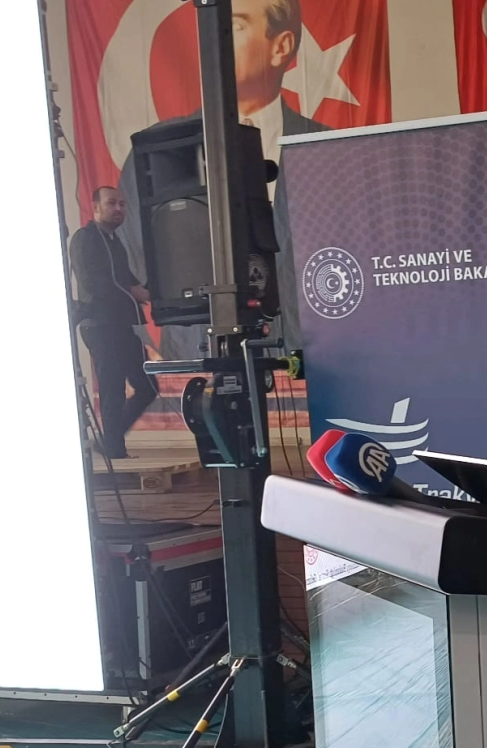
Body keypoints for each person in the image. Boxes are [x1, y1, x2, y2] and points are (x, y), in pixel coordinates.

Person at [117, 0, 327, 363]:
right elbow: (133, 263)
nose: (216, 41)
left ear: (280, 46)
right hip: (200, 358)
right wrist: (138, 341)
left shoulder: (328, 149)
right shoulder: (160, 152)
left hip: (315, 358)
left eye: (236, 26)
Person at [69, 186, 157, 459]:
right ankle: (114, 450)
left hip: (120, 325)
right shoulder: (84, 239)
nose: (118, 208)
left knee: (148, 386)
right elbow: (92, 283)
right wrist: (132, 291)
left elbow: (127, 279)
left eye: (122, 204)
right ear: (95, 207)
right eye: (111, 203)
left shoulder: (114, 242)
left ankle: (108, 442)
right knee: (112, 389)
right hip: (99, 325)